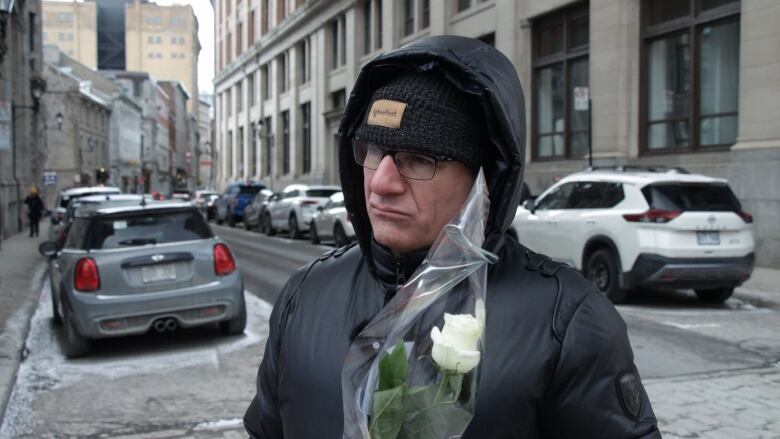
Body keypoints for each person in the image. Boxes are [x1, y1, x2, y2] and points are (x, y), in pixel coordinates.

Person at [244, 36, 661, 438]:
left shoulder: (566, 320)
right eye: (371, 151)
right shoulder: (305, 295)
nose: (381, 183)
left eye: (418, 159)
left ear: (484, 179)